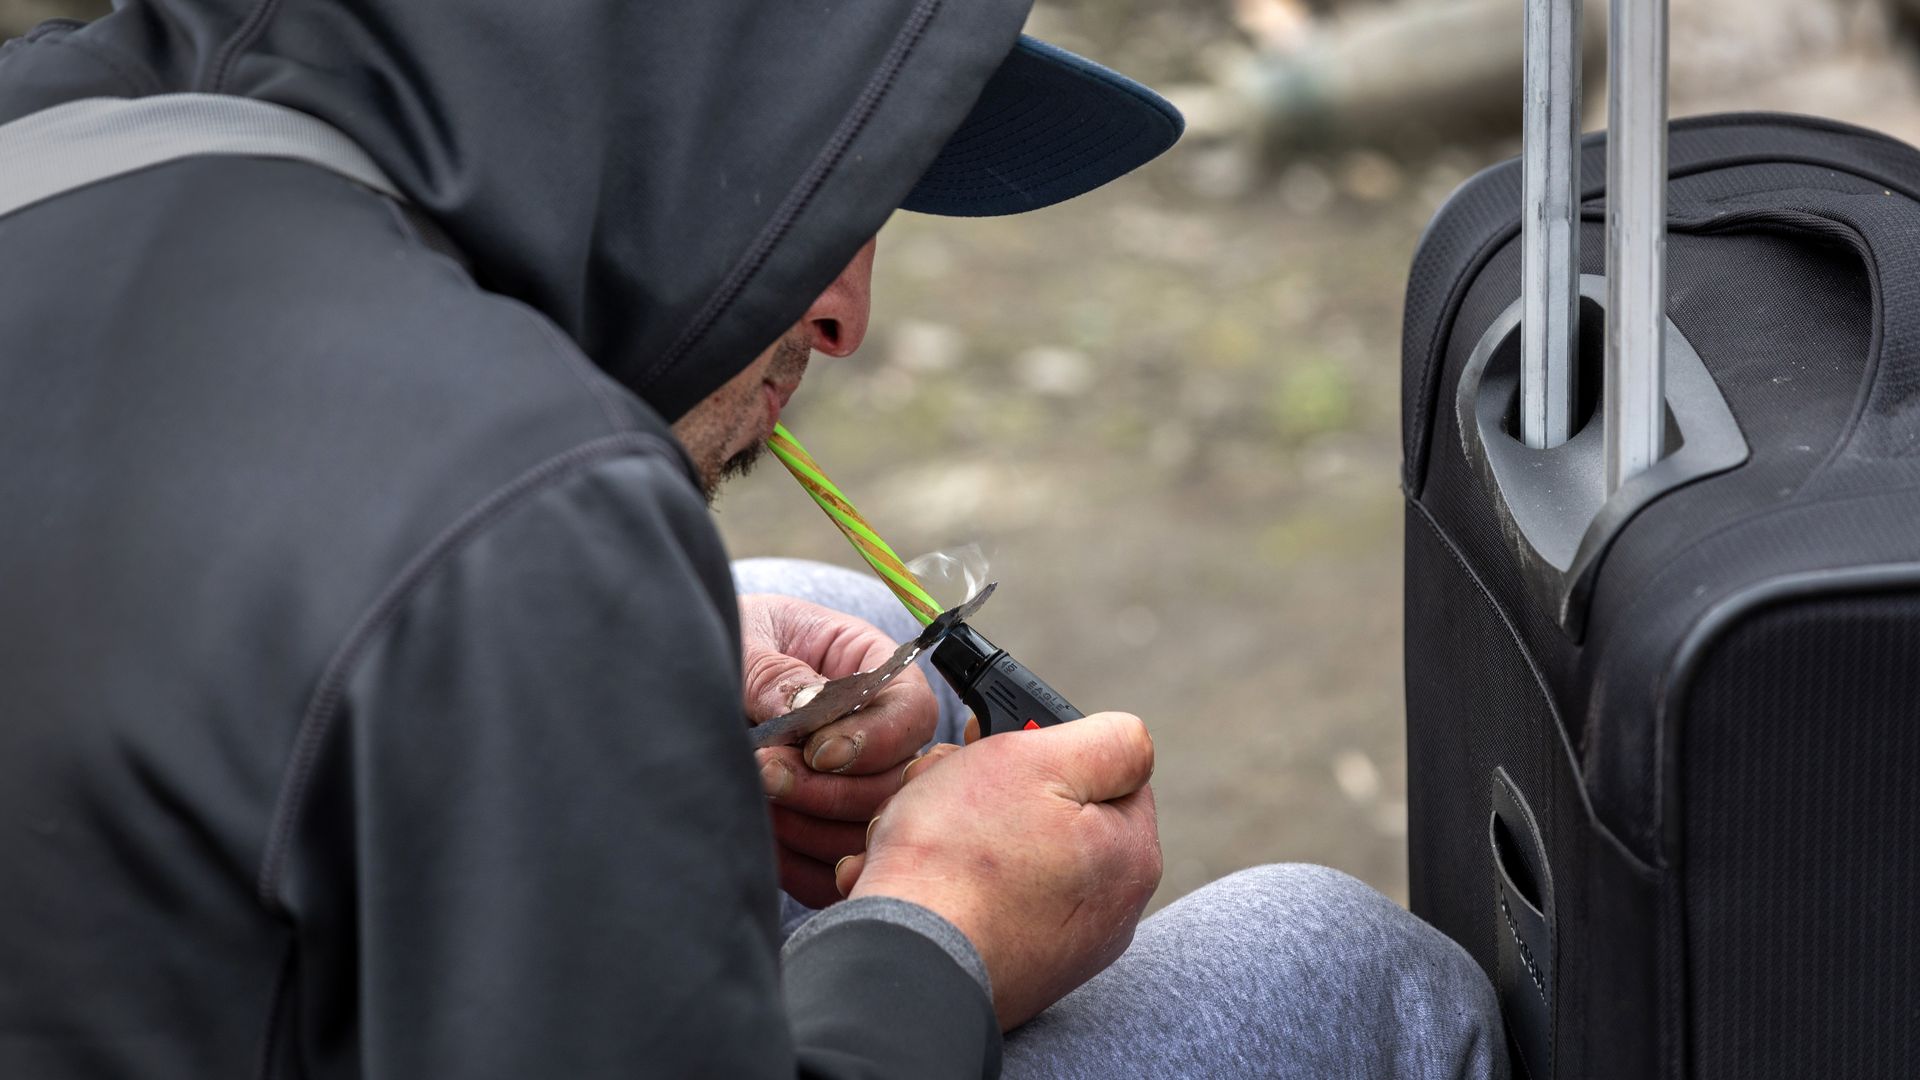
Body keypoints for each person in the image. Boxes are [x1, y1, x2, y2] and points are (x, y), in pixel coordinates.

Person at [0, 1, 1503, 1077]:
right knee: (1336, 969)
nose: (848, 315)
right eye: (828, 190)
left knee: (803, 602)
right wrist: (937, 938)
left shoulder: (70, 130)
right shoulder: (512, 513)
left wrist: (623, 642)